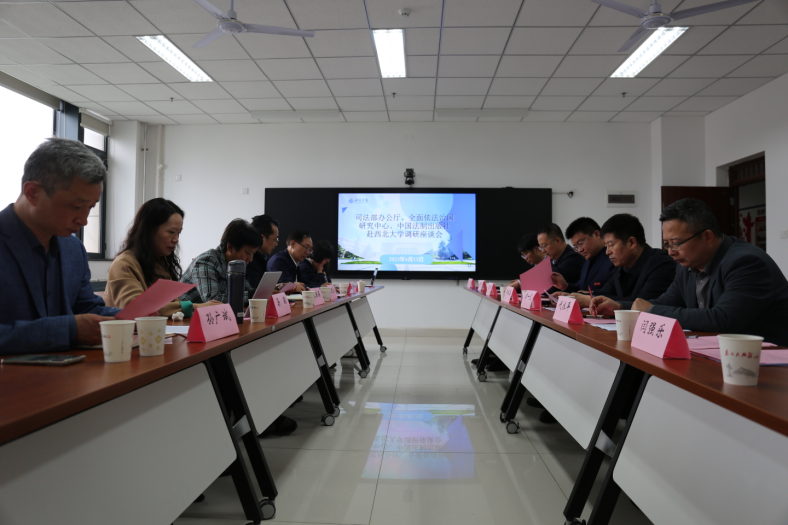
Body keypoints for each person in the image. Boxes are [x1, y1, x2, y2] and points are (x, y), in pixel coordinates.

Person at [596, 199, 788, 346]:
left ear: (707, 237)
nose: (670, 252)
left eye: (676, 243)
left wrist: (651, 311)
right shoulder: (686, 265)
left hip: (766, 361)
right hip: (715, 351)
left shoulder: (746, 262)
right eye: (666, 244)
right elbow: (666, 302)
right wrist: (620, 307)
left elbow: (724, 319)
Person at [0, 138, 119, 355]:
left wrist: (130, 317)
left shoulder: (73, 249)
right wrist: (67, 330)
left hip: (74, 372)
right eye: (75, 206)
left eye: (90, 208)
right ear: (33, 192)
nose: (84, 220)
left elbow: (86, 308)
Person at [104, 198, 220, 317]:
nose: (176, 239)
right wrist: (194, 307)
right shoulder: (124, 264)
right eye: (171, 232)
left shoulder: (162, 262)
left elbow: (167, 305)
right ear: (149, 230)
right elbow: (138, 308)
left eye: (178, 233)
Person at [581, 213, 675, 311]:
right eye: (606, 246)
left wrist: (589, 300)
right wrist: (582, 297)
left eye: (611, 245)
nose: (607, 252)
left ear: (631, 243)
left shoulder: (661, 264)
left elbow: (643, 305)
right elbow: (605, 294)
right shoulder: (622, 266)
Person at [180, 219, 261, 305]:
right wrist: (253, 296)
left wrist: (260, 293)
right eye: (248, 253)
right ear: (230, 248)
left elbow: (249, 291)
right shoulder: (206, 261)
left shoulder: (236, 266)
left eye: (253, 253)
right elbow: (212, 300)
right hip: (185, 313)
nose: (251, 259)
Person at [551, 217, 615, 294]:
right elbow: (582, 287)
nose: (579, 250)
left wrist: (585, 295)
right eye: (576, 247)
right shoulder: (587, 262)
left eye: (581, 243)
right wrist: (566, 286)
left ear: (597, 234)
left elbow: (612, 292)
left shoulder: (613, 259)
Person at [538, 223, 585, 293]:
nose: (543, 251)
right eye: (541, 247)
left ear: (557, 241)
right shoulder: (550, 260)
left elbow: (550, 286)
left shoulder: (574, 259)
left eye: (544, 246)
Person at [247, 214, 280, 290]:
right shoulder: (248, 260)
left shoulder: (264, 257)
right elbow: (255, 290)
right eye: (275, 239)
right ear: (262, 238)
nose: (276, 244)